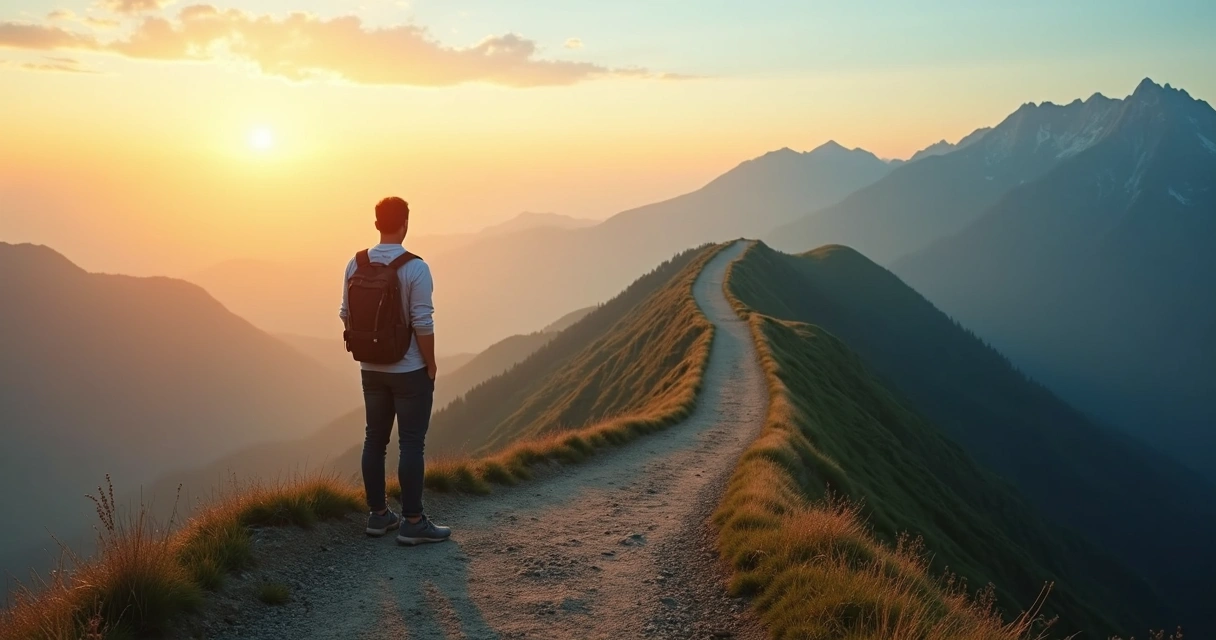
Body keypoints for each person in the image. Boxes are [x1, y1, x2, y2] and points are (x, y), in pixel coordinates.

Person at [339, 196, 451, 545]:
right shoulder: (416, 268)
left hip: (370, 368)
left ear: (376, 224)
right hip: (409, 370)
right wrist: (430, 364)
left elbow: (345, 314)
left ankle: (378, 515)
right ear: (405, 223)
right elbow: (423, 322)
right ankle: (413, 521)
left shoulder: (354, 264)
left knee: (375, 439)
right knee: (411, 443)